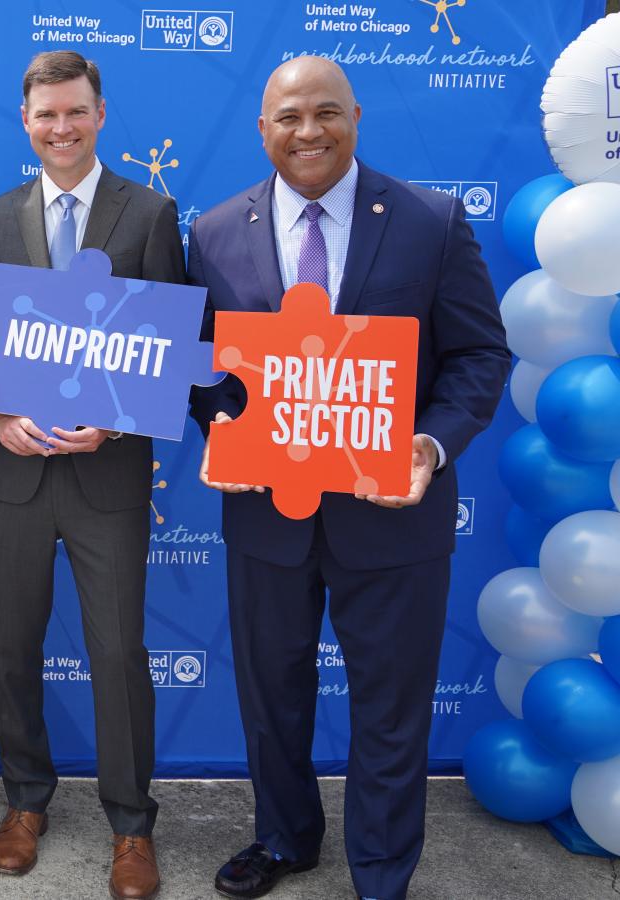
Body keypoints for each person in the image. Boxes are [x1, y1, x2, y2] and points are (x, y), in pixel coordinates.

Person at [188, 57, 509, 900]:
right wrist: (220, 425)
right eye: (288, 117)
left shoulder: (431, 221)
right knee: (272, 699)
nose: (308, 132)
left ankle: (381, 869)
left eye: (326, 113)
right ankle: (285, 838)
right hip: (267, 516)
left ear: (356, 117)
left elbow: (479, 354)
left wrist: (429, 446)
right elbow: (207, 371)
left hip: (394, 515)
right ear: (263, 130)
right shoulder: (216, 231)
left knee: (392, 707)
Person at [0, 51, 181, 899]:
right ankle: (25, 803)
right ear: (25, 120)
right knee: (12, 646)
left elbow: (166, 352)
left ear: (99, 114)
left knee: (118, 652)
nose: (62, 128)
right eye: (46, 114)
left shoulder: (150, 212)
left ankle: (131, 825)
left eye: (76, 112)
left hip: (107, 476)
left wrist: (117, 420)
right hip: (10, 472)